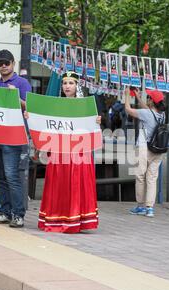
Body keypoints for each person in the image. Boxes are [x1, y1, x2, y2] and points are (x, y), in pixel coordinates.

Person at [36, 71, 101, 233]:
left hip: (78, 152)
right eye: (65, 83)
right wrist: (32, 117)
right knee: (59, 183)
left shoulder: (86, 105)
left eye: (71, 83)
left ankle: (76, 219)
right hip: (59, 149)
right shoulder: (56, 105)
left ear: (77, 86)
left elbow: (92, 128)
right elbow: (46, 124)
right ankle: (57, 217)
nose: (67, 86)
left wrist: (97, 121)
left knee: (75, 183)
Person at [0, 50, 32, 228]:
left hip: (14, 137)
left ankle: (18, 214)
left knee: (12, 176)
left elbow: (30, 106)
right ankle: (5, 212)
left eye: (7, 62)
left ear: (13, 64)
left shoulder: (22, 83)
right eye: (0, 63)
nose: (3, 66)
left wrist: (16, 97)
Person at [125, 87, 166, 217]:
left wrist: (127, 96)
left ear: (151, 101)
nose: (147, 99)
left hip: (144, 148)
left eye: (148, 97)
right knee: (152, 179)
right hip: (158, 150)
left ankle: (140, 206)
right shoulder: (162, 115)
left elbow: (128, 110)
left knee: (140, 177)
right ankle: (150, 208)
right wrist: (138, 97)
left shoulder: (146, 113)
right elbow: (148, 110)